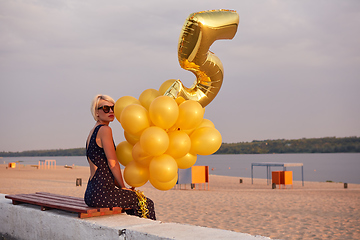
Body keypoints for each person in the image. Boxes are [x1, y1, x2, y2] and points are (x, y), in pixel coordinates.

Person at [84, 94, 156, 220]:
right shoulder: (105, 130)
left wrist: (123, 189)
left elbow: (103, 168)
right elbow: (113, 163)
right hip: (102, 193)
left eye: (113, 108)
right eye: (105, 108)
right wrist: (123, 187)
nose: (111, 111)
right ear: (96, 112)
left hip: (91, 192)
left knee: (134, 202)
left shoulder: (92, 131)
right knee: (146, 203)